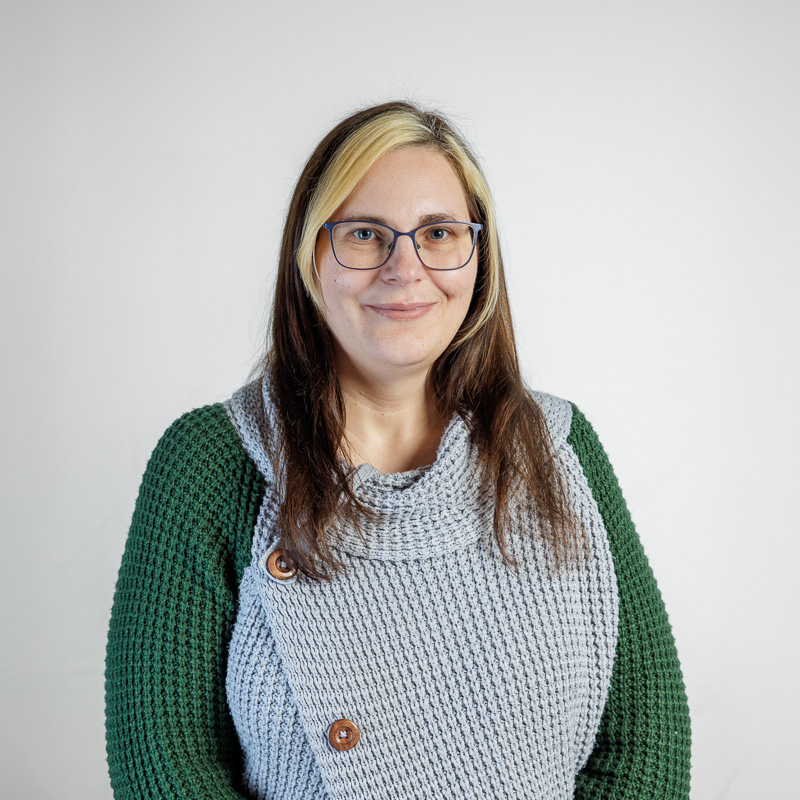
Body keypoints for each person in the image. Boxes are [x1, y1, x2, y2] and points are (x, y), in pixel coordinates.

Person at [104, 101, 691, 800]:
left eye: (438, 233)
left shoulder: (558, 449)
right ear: (309, 257)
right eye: (364, 235)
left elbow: (645, 747)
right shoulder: (213, 464)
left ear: (478, 257)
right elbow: (165, 767)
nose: (405, 268)